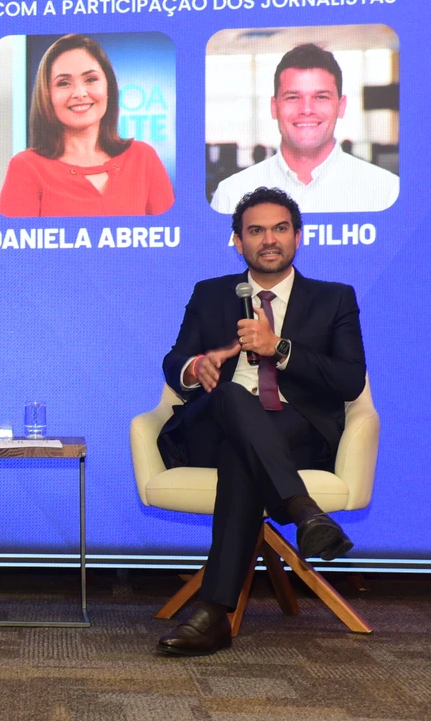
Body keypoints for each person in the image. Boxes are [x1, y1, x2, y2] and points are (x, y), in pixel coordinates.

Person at [155, 187, 365, 656]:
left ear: (298, 236)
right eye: (255, 231)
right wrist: (195, 367)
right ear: (237, 241)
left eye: (280, 228)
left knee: (242, 454)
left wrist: (280, 349)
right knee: (231, 394)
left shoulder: (334, 299)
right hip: (214, 419)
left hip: (295, 430)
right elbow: (174, 360)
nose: (268, 239)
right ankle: (303, 511)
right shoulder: (210, 294)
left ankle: (213, 614)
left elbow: (350, 379)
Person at [0, 34, 174, 217]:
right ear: (47, 96)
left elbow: (174, 239)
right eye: (64, 83)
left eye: (90, 79)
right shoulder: (26, 168)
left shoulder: (143, 157)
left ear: (108, 88)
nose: (80, 93)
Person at [210, 44, 398, 213]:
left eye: (321, 97)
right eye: (293, 97)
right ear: (274, 107)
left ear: (341, 106)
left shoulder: (386, 192)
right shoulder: (231, 195)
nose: (306, 110)